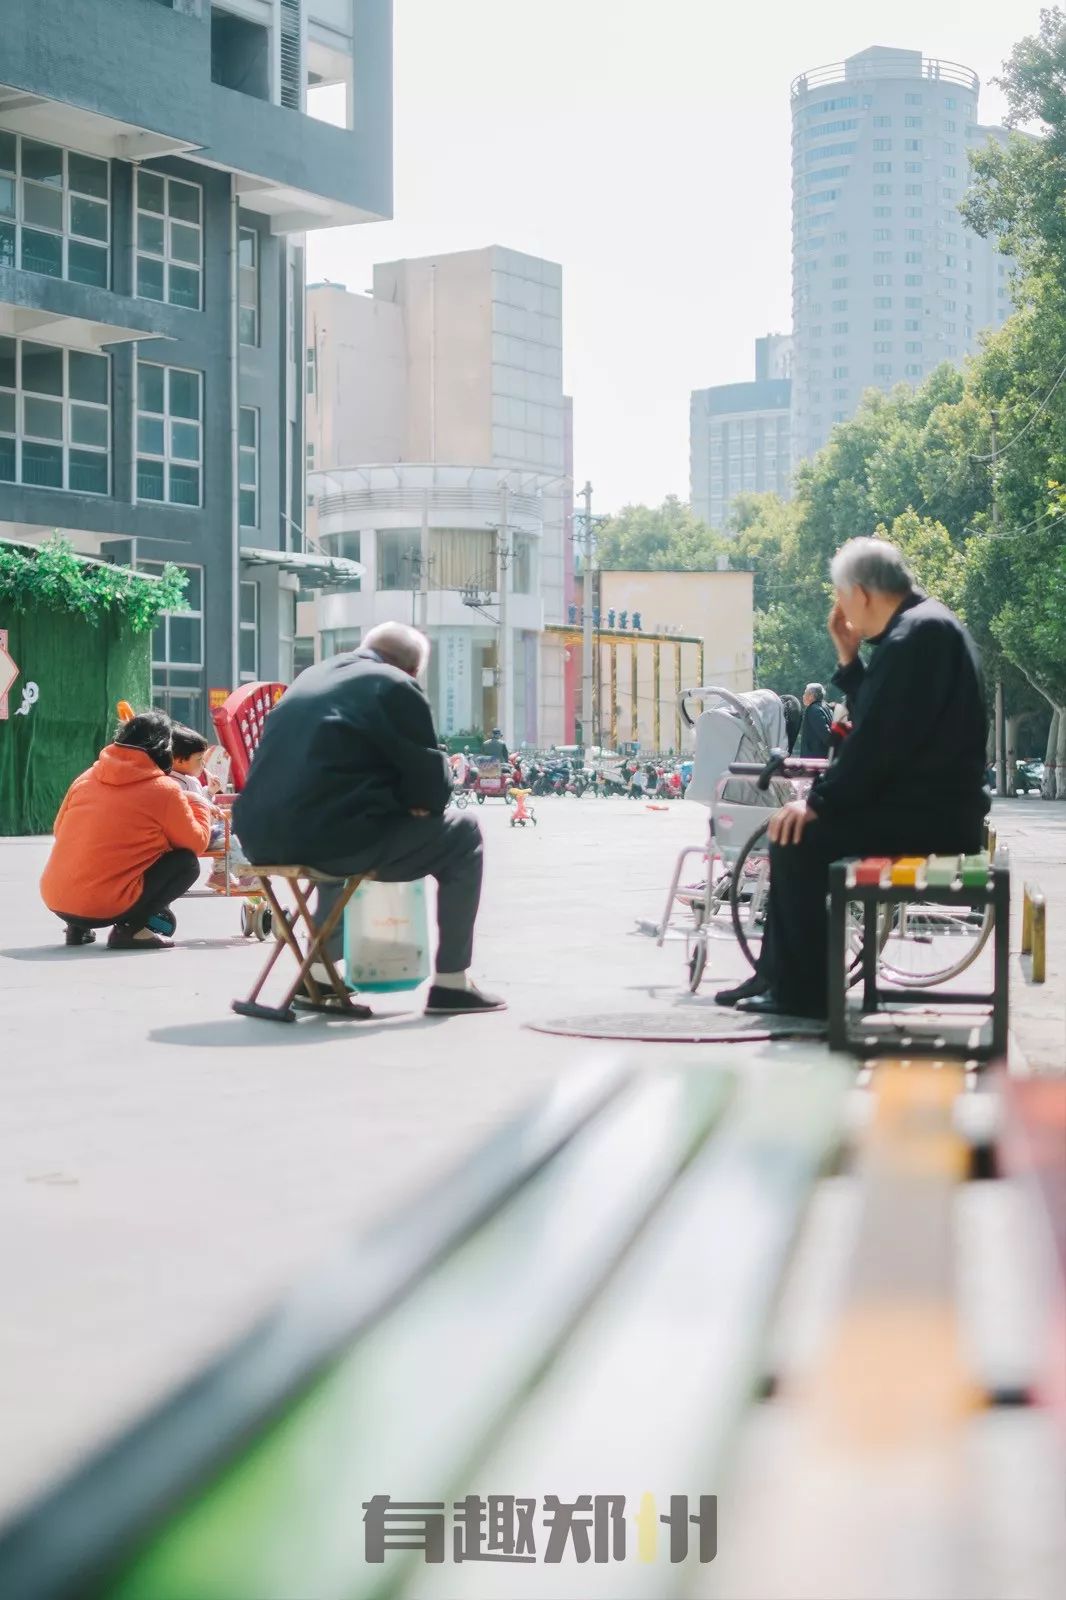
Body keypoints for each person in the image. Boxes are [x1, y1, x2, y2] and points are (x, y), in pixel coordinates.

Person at [716, 537, 990, 1019]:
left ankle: (801, 993)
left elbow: (875, 744)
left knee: (797, 836)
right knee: (793, 832)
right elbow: (881, 717)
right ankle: (777, 976)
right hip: (936, 808)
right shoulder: (923, 628)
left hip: (933, 817)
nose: (840, 609)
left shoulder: (913, 638)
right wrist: (849, 659)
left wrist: (817, 802)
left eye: (841, 596)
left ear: (860, 593)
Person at [233, 622, 504, 1015]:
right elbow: (432, 789)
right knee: (464, 832)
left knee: (341, 829)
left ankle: (320, 975)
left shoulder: (311, 677)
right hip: (332, 836)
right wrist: (417, 798)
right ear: (412, 669)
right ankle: (452, 982)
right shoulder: (395, 684)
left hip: (259, 837)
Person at [40, 711, 210, 950]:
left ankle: (76, 929)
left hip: (57, 898)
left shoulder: (85, 778)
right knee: (186, 863)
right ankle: (130, 930)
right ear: (163, 749)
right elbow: (196, 843)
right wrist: (200, 804)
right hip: (105, 906)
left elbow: (60, 830)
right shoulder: (164, 790)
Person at [798, 683, 833, 758]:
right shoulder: (826, 707)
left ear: (811, 696)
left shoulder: (813, 710)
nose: (803, 696)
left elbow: (826, 736)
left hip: (814, 759)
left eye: (805, 693)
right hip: (824, 757)